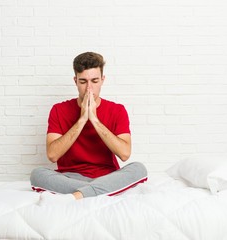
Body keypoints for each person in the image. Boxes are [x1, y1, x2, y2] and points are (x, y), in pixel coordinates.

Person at [30, 52, 147, 205]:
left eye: (95, 81)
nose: (89, 88)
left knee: (139, 169)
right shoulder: (59, 109)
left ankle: (76, 196)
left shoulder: (117, 110)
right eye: (83, 81)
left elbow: (125, 154)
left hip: (107, 176)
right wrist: (82, 119)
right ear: (75, 81)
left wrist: (95, 120)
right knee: (37, 174)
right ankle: (99, 191)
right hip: (70, 178)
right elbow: (52, 155)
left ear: (102, 80)